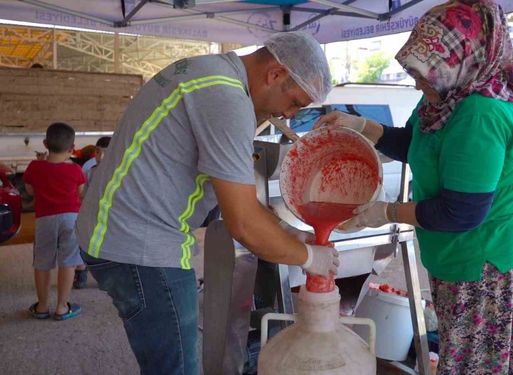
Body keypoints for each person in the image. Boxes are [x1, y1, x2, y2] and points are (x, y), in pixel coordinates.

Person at [76, 31, 338, 374]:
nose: (288, 115)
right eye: (295, 102)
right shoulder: (226, 99)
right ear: (275, 74)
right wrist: (310, 258)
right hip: (141, 248)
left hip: (114, 231)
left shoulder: (208, 70)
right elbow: (243, 224)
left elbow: (240, 197)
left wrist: (289, 232)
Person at [316, 1, 513, 374]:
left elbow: (460, 211)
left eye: (426, 72)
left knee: (475, 366)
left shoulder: (480, 115)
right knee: (460, 354)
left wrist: (385, 213)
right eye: (415, 71)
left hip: (485, 265)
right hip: (458, 257)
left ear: (463, 59)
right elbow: (420, 148)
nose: (418, 81)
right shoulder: (446, 99)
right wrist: (362, 127)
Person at [23, 122, 86, 321]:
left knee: (42, 262)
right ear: (72, 148)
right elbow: (80, 192)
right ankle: (61, 307)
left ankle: (42, 306)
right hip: (71, 219)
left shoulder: (34, 167)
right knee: (68, 261)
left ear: (44, 143)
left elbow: (30, 191)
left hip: (45, 220)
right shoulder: (76, 170)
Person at [73, 136, 113, 289]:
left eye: (106, 153)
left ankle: (107, 277)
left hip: (111, 218)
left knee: (107, 248)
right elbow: (83, 194)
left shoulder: (117, 173)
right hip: (92, 216)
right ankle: (81, 271)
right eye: (98, 152)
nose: (100, 157)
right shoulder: (90, 172)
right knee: (86, 244)